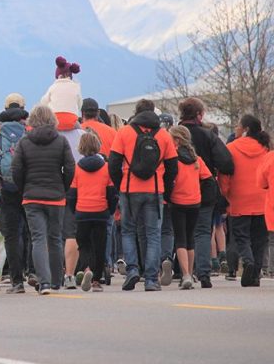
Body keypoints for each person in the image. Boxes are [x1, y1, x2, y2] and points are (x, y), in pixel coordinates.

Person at [109, 99, 178, 292]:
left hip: (129, 189)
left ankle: (132, 269)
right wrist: (166, 190)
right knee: (153, 234)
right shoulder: (164, 135)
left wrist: (119, 185)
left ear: (136, 113)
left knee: (129, 231)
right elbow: (173, 167)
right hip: (154, 190)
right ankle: (151, 279)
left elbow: (113, 163)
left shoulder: (124, 132)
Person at [12, 106, 75, 295]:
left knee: (38, 238)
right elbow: (70, 167)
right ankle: (56, 281)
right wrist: (63, 188)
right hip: (56, 197)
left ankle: (44, 283)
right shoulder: (61, 141)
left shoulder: (24, 142)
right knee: (55, 238)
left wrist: (24, 189)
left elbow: (16, 170)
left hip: (32, 197)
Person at [177, 97, 234, 288]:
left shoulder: (174, 136)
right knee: (202, 231)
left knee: (180, 232)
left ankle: (183, 271)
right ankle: (204, 273)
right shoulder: (208, 135)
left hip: (179, 190)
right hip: (204, 188)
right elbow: (227, 162)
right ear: (199, 115)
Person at [0, 93, 30, 293]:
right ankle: (33, 272)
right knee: (31, 231)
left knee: (11, 234)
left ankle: (17, 280)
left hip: (6, 187)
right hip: (28, 186)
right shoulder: (30, 129)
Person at [219, 115, 270, 287]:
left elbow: (225, 174)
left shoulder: (231, 148)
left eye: (238, 126)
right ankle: (255, 275)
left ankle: (248, 261)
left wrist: (225, 193)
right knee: (259, 239)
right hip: (262, 198)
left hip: (240, 198)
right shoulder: (265, 148)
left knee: (241, 236)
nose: (235, 128)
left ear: (245, 129)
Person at [68, 131, 116, 292]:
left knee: (84, 244)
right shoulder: (106, 168)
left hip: (82, 211)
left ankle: (87, 268)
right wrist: (110, 209)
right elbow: (111, 192)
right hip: (101, 211)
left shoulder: (77, 169)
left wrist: (74, 210)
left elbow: (72, 194)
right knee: (100, 245)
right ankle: (96, 279)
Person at [167, 125, 213, 290]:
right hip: (195, 202)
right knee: (190, 239)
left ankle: (185, 274)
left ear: (177, 141)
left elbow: (169, 179)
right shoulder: (196, 160)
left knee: (180, 238)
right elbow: (208, 179)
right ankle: (191, 273)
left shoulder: (174, 160)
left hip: (177, 201)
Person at [39, 56, 82, 131]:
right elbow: (80, 104)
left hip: (55, 121)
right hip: (71, 120)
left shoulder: (53, 87)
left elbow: (43, 102)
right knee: (80, 131)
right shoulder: (76, 87)